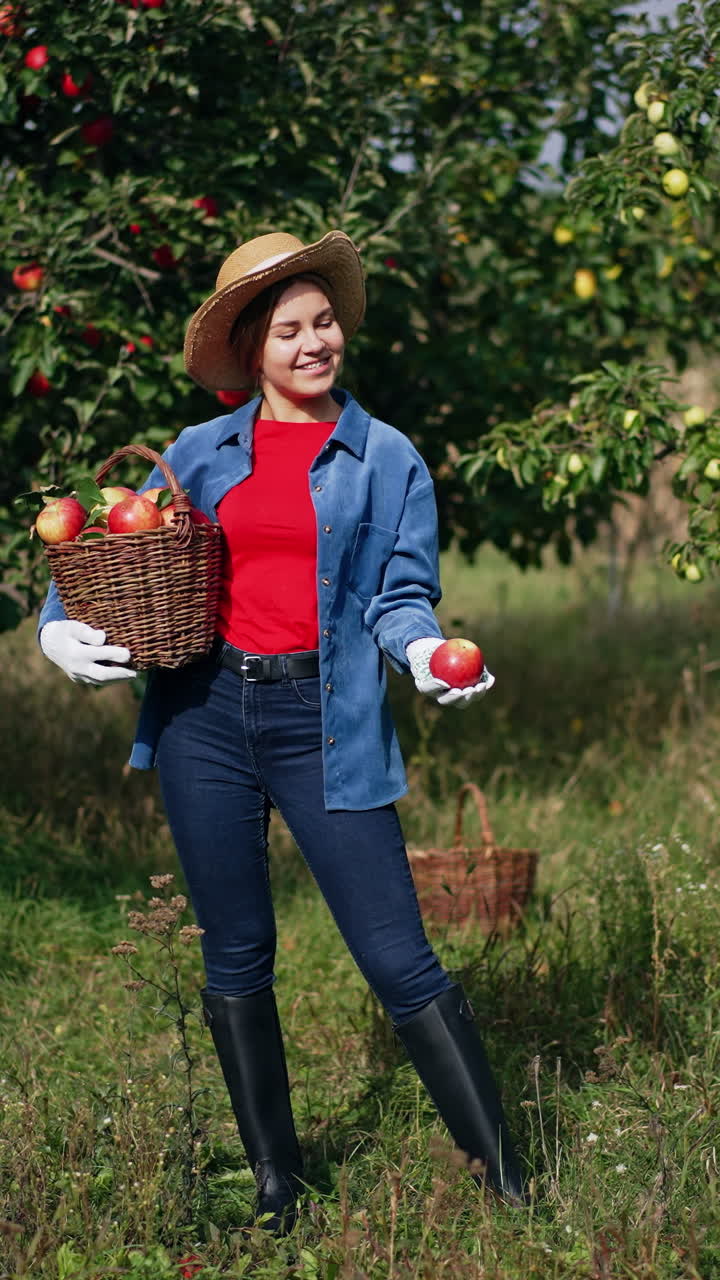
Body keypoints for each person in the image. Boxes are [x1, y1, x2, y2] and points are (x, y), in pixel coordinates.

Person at [38, 230, 528, 1233]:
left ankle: (506, 1176)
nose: (319, 342)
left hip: (324, 717)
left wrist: (427, 653)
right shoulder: (197, 452)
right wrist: (59, 630)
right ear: (254, 347)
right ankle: (277, 1178)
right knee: (237, 951)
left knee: (398, 956)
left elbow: (399, 594)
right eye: (294, 328)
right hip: (204, 714)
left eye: (327, 322)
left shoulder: (387, 457)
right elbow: (110, 550)